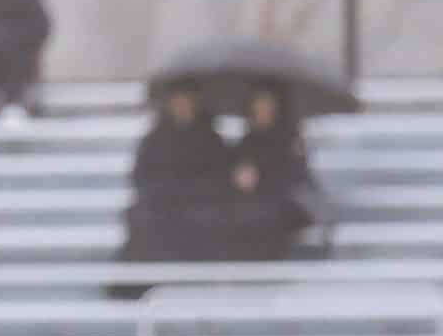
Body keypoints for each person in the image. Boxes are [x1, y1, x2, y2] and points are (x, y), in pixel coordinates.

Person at [117, 87, 231, 273]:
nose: (181, 107)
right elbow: (141, 177)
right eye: (177, 102)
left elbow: (221, 178)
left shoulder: (211, 140)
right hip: (162, 204)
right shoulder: (154, 140)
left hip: (200, 206)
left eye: (186, 102)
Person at [225, 87, 317, 259]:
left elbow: (297, 176)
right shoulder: (247, 142)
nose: (263, 110)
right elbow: (235, 173)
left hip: (284, 207)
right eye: (258, 105)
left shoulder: (290, 140)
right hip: (253, 208)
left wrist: (262, 178)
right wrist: (240, 178)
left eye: (267, 105)